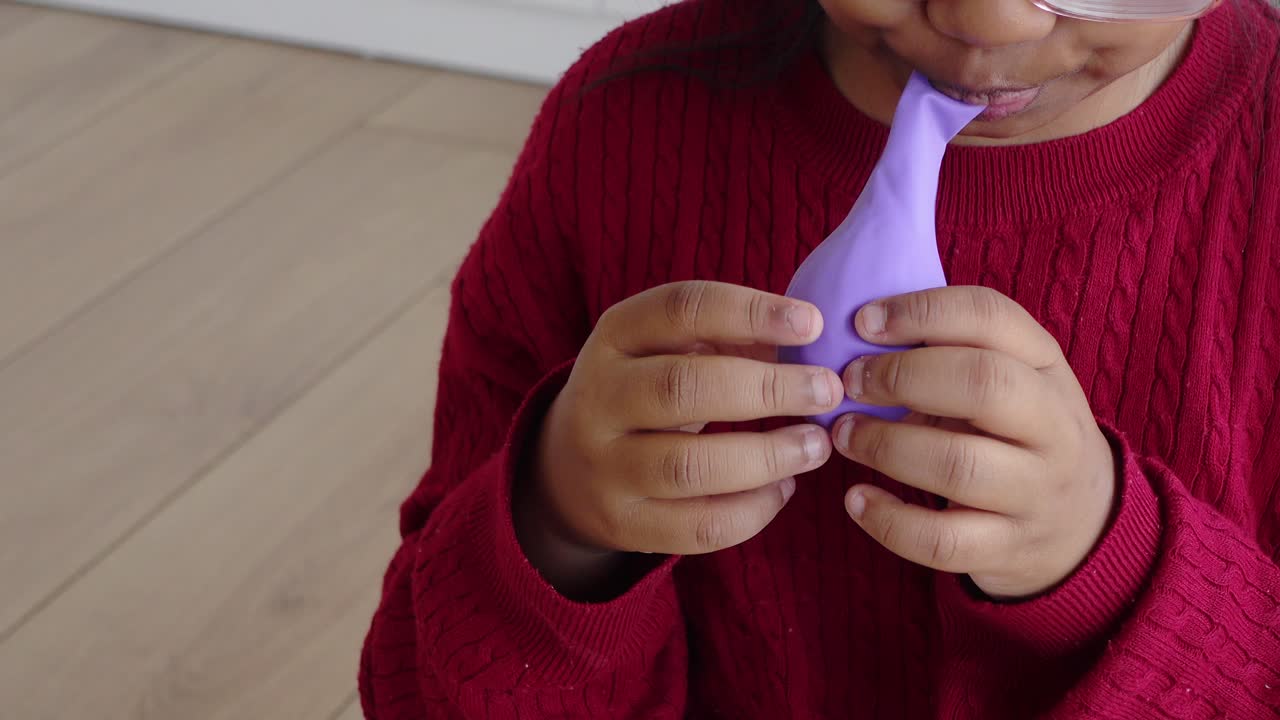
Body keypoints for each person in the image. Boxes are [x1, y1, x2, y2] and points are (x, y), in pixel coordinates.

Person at [359, 0, 1280, 716]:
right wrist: (557, 522)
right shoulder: (621, 130)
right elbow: (417, 683)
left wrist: (1106, 568)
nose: (984, 22)